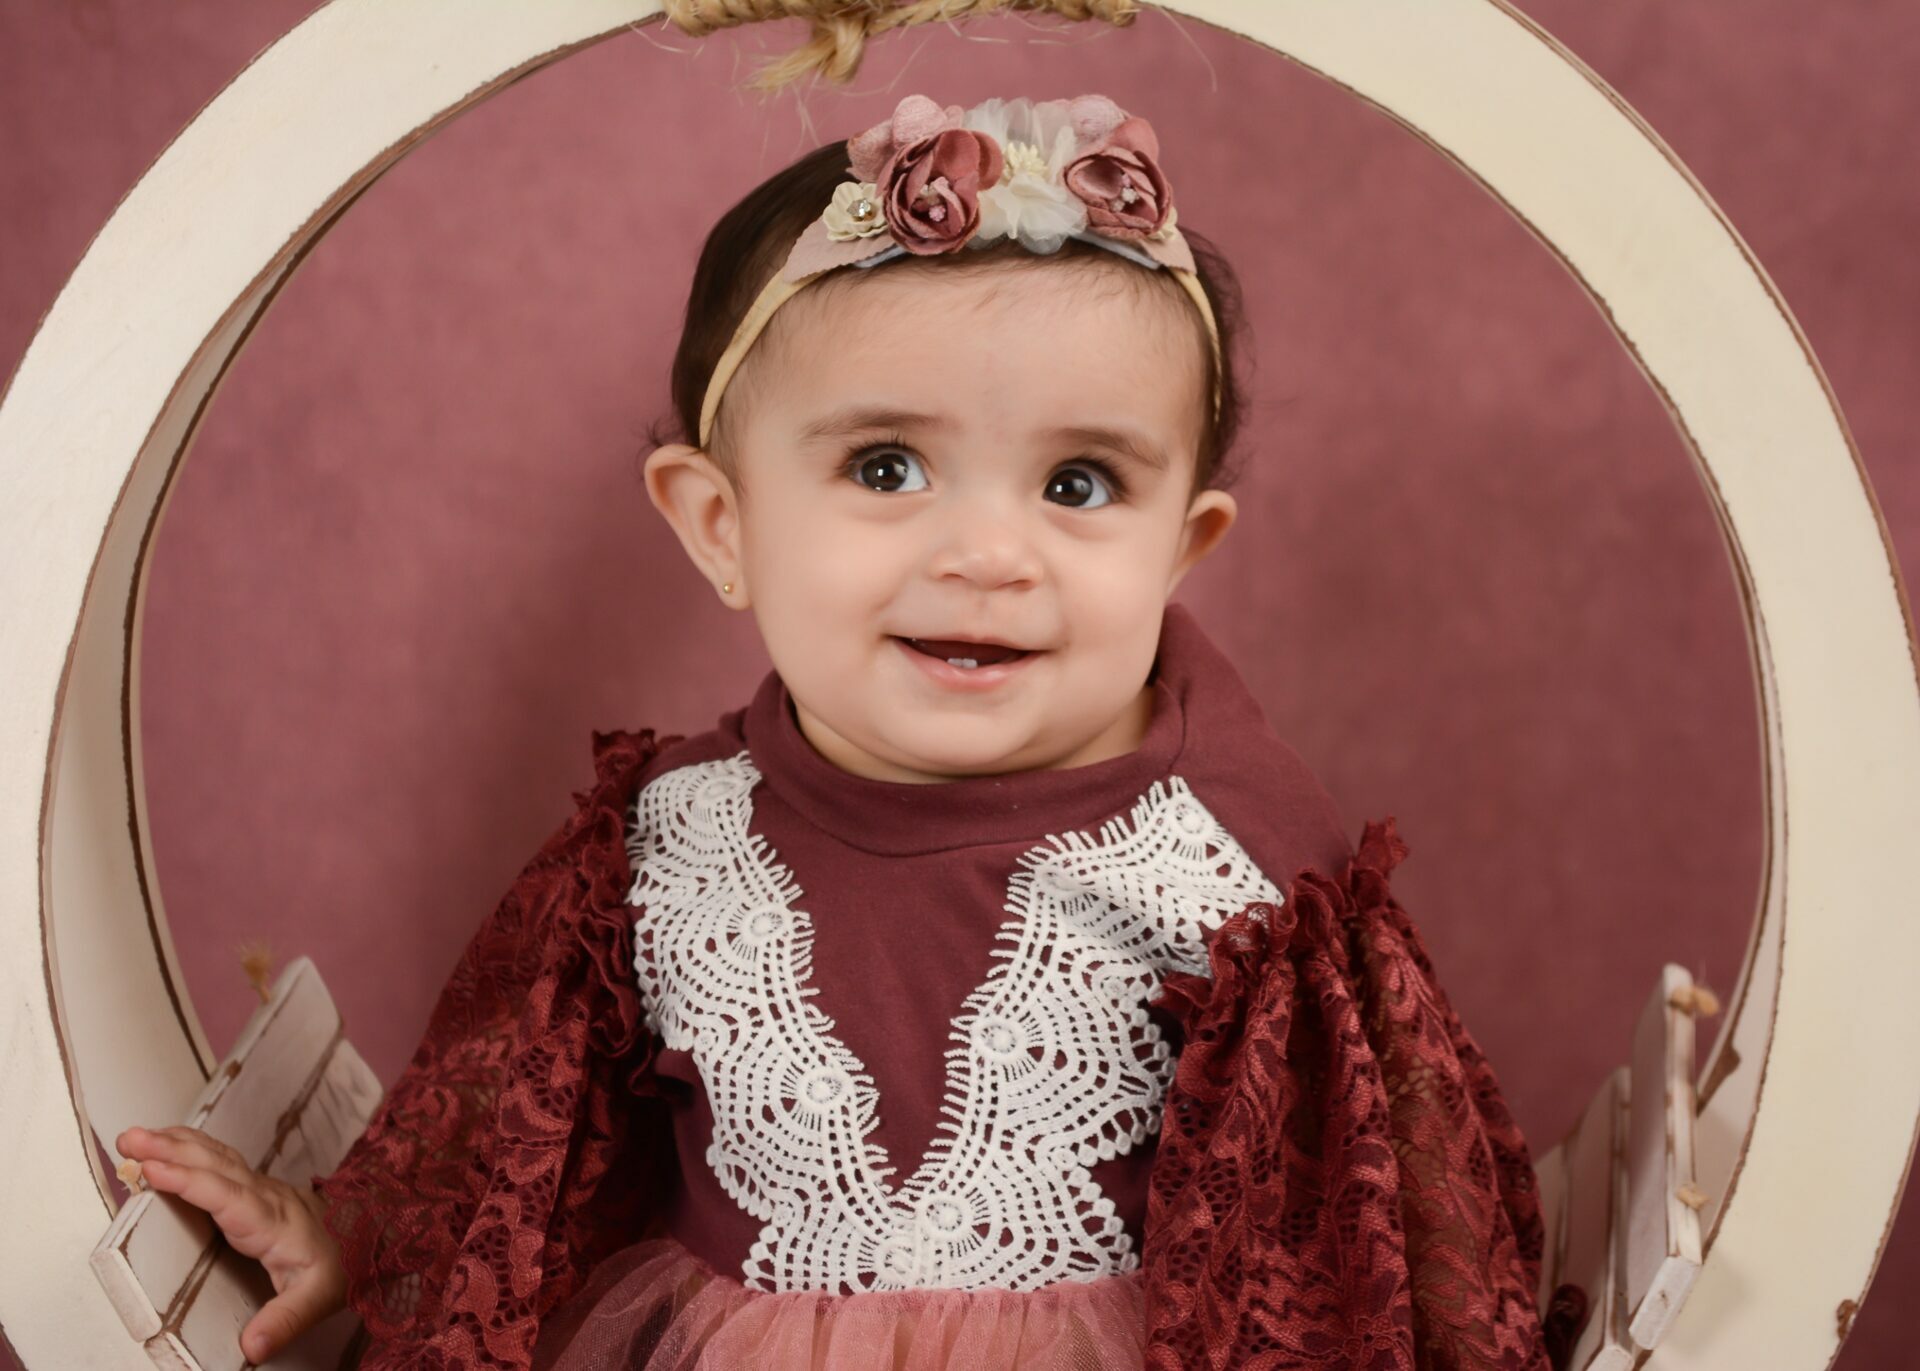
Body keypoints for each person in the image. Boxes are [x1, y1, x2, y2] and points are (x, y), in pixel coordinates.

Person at [116, 93, 1586, 1370]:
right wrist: (357, 1239)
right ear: (722, 524)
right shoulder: (668, 843)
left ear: (1181, 549)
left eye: (1079, 485)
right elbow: (513, 1129)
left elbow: (1365, 1219)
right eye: (887, 467)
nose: (988, 555)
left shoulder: (1237, 871)